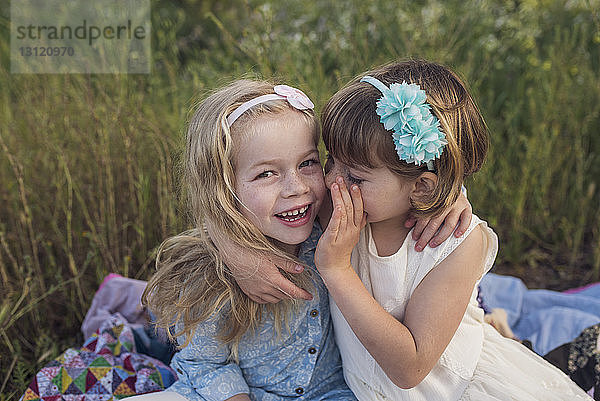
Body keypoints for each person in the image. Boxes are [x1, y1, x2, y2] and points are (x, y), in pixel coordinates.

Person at [313, 59, 591, 400]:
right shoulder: (339, 205)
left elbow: (409, 368)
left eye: (355, 177)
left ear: (423, 189)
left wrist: (336, 270)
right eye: (329, 160)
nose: (330, 181)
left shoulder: (456, 241)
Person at [128, 80, 358, 400]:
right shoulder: (209, 274)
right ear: (225, 191)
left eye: (307, 163)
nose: (297, 188)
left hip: (330, 392)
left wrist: (451, 199)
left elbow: (393, 183)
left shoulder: (332, 229)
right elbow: (206, 364)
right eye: (266, 174)